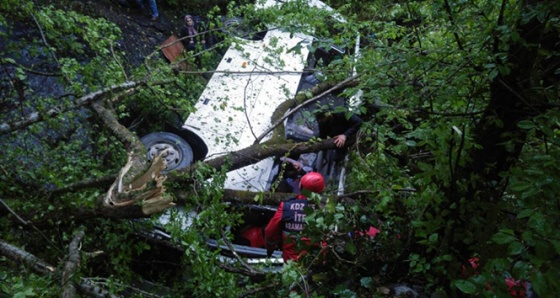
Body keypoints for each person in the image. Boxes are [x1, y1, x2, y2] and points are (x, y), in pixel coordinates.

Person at [264, 172, 326, 262]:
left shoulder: (286, 206)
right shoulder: (326, 212)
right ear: (321, 191)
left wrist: (269, 250)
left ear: (301, 187)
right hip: (316, 265)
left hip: (291, 264)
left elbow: (270, 232)